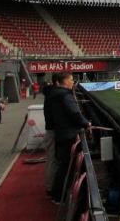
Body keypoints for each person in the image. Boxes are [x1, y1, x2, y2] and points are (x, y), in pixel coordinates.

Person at [49, 72, 91, 203]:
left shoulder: (55, 94)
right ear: (64, 82)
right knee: (66, 167)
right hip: (67, 135)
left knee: (63, 166)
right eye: (71, 80)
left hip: (62, 133)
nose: (73, 82)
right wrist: (86, 123)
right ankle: (58, 196)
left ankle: (57, 194)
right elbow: (74, 113)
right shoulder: (64, 95)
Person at [43, 73, 60, 195]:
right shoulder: (54, 95)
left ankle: (52, 186)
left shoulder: (50, 93)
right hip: (52, 131)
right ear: (58, 83)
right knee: (52, 160)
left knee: (52, 159)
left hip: (51, 130)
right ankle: (51, 188)